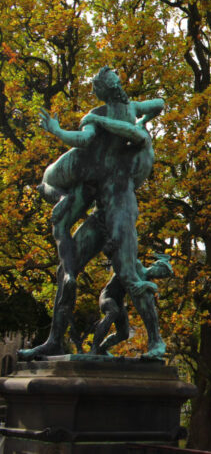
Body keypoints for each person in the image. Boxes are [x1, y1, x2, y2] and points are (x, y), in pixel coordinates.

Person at [19, 67, 166, 360]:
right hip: (102, 208)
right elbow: (84, 139)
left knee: (127, 273)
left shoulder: (127, 109)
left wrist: (112, 121)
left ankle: (156, 343)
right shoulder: (97, 115)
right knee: (66, 272)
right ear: (103, 89)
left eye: (113, 77)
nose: (113, 81)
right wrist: (58, 131)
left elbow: (152, 114)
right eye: (107, 80)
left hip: (122, 205)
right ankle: (54, 341)